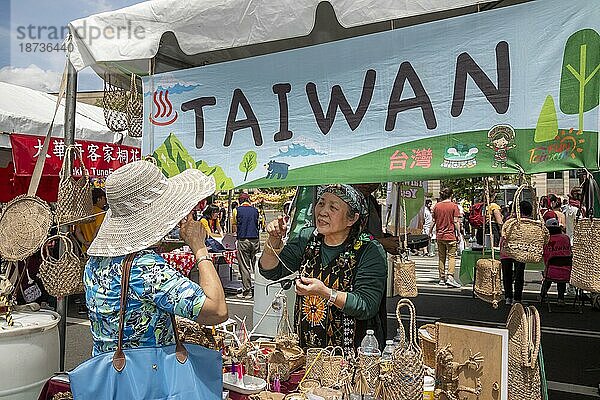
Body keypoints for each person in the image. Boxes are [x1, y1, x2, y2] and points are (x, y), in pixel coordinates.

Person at [84, 160, 227, 357]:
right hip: (147, 377)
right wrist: (199, 248)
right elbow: (217, 310)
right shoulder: (145, 268)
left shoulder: (95, 262)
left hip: (110, 374)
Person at [259, 184, 387, 352]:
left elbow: (366, 305)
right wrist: (274, 240)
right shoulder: (308, 238)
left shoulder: (369, 249)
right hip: (307, 354)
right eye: (321, 203)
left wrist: (326, 293)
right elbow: (270, 270)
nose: (323, 211)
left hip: (351, 359)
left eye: (333, 207)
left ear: (352, 219)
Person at [499, 200, 533, 305]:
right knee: (519, 275)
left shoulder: (509, 220)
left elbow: (503, 233)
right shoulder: (528, 222)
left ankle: (508, 298)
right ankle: (517, 299)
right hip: (520, 251)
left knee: (507, 275)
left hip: (506, 249)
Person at [352, 183, 399, 255]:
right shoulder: (346, 202)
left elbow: (369, 232)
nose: (369, 185)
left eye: (374, 182)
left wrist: (391, 240)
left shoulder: (371, 200)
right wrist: (381, 242)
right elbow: (346, 238)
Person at [430, 188, 461, 288]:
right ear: (451, 195)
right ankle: (450, 277)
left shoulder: (437, 206)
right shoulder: (454, 206)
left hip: (440, 235)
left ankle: (441, 278)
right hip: (450, 235)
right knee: (451, 256)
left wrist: (430, 231)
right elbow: (456, 221)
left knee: (441, 257)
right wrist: (459, 234)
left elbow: (433, 221)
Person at [232, 193, 260, 299]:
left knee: (244, 266)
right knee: (256, 265)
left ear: (240, 201)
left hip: (243, 239)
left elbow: (234, 226)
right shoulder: (255, 210)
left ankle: (246, 291)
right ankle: (258, 289)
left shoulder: (236, 210)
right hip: (255, 239)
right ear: (248, 200)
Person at [540, 218, 572, 306]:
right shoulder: (566, 238)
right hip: (567, 271)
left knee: (549, 276)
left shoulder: (547, 239)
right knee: (561, 275)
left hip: (551, 270)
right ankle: (560, 299)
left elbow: (544, 256)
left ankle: (542, 296)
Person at [75, 188, 107, 252]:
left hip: (85, 249)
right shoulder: (101, 213)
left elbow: (77, 232)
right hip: (97, 249)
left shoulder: (84, 213)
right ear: (99, 199)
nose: (105, 202)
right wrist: (92, 244)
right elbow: (97, 232)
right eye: (104, 199)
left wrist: (85, 243)